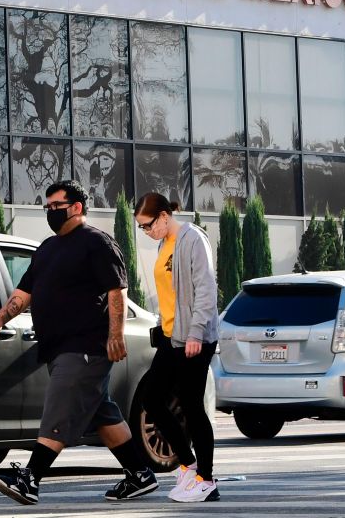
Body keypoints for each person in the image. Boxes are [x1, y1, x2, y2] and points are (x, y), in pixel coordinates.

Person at [0, 180, 158, 505]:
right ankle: (140, 474)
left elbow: (117, 290)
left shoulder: (96, 242)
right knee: (100, 413)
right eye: (47, 207)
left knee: (60, 407)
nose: (50, 212)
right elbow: (23, 294)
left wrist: (116, 335)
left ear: (76, 207)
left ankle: (30, 478)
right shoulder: (47, 249)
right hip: (58, 347)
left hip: (86, 347)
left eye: (56, 206)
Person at [133, 193, 220, 503]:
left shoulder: (193, 239)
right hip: (173, 337)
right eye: (141, 228)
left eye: (147, 225)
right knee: (152, 399)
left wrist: (196, 332)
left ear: (164, 217)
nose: (145, 232)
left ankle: (206, 480)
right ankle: (188, 464)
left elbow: (206, 289)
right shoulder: (163, 244)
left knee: (192, 405)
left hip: (196, 338)